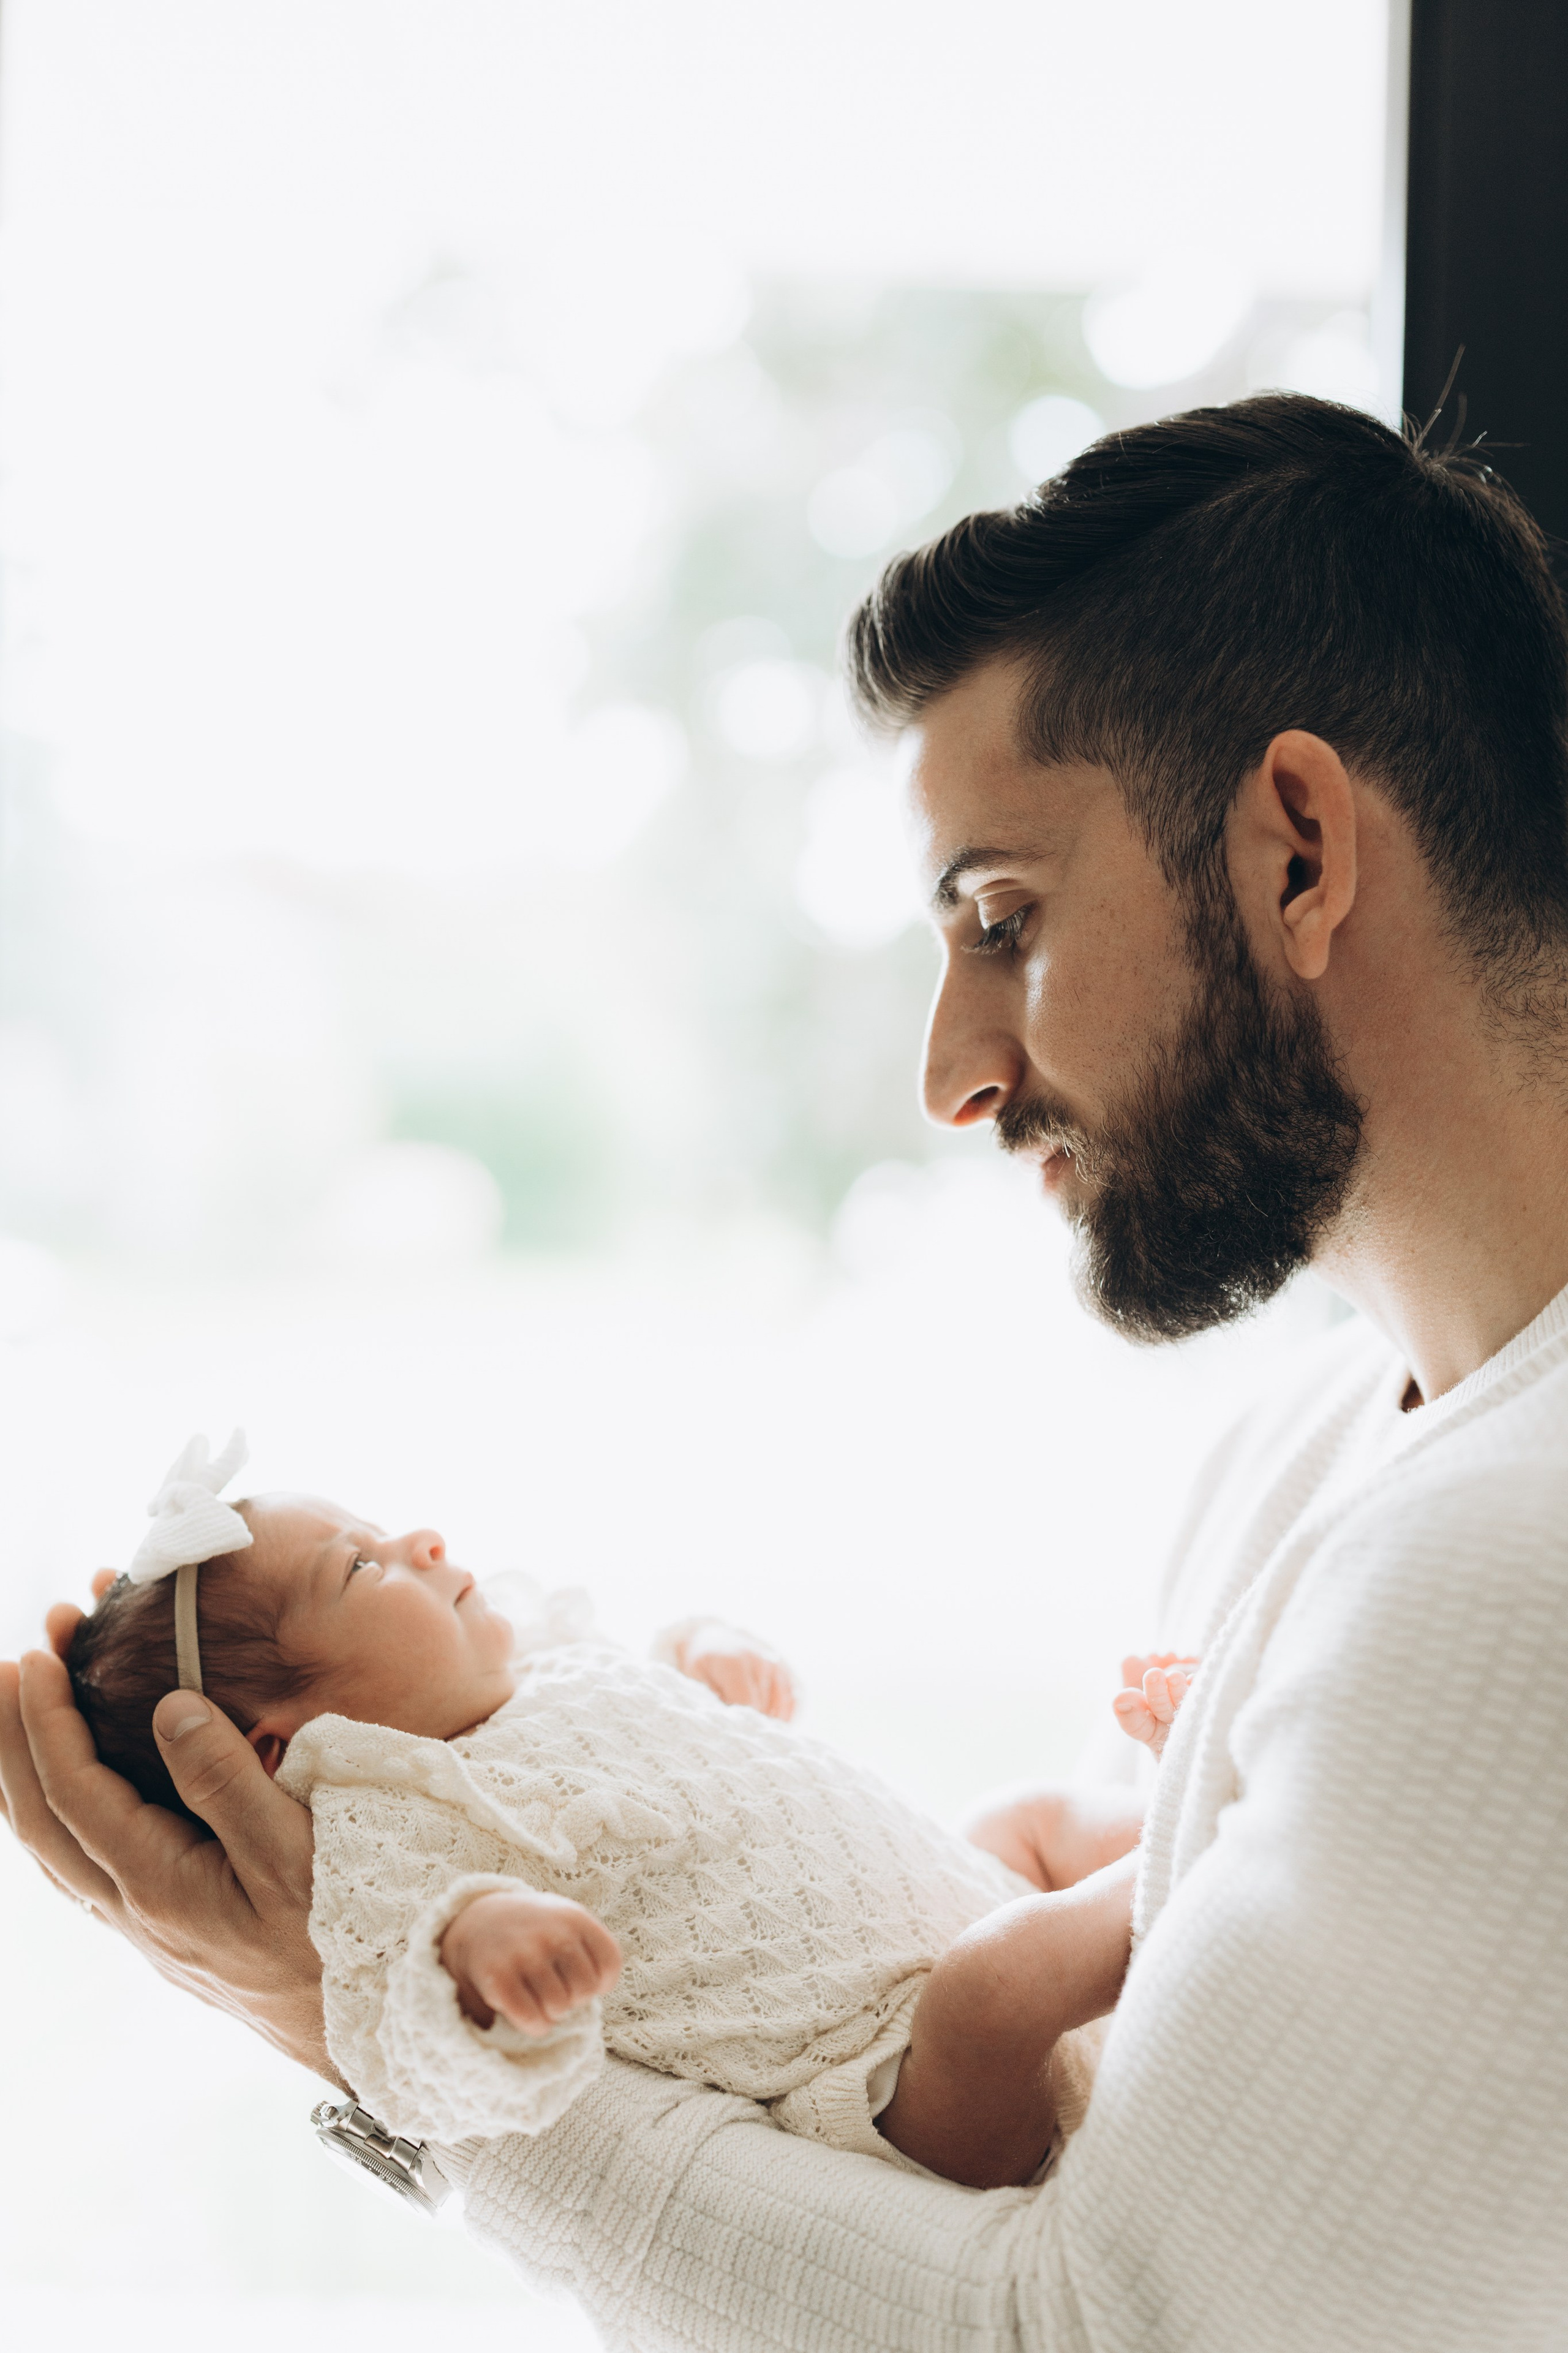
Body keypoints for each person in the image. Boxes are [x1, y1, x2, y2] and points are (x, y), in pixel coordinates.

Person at [6, 392, 1568, 2349]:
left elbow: (1082, 2334)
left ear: (1300, 853)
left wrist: (341, 2020)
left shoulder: (1520, 1569)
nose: (954, 1075)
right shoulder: (1308, 1441)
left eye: (1007, 920)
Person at [66, 1433, 1175, 2186]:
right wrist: (480, 1952)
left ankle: (1183, 1794)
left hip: (960, 1901)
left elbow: (648, 1716)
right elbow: (400, 2015)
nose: (426, 1543)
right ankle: (1205, 1838)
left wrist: (702, 1652)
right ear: (287, 1746)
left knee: (1019, 1815)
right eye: (363, 1569)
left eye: (387, 1530)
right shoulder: (389, 1818)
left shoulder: (540, 1671)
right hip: (902, 2081)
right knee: (993, 1986)